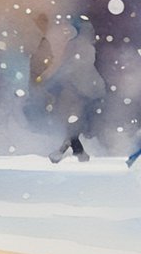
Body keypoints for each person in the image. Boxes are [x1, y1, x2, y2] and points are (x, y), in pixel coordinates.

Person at [42, 18, 104, 164]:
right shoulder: (86, 47)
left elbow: (69, 66)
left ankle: (73, 152)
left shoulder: (77, 46)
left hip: (76, 90)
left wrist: (53, 79)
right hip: (84, 89)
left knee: (72, 123)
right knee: (74, 123)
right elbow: (75, 67)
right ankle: (74, 152)